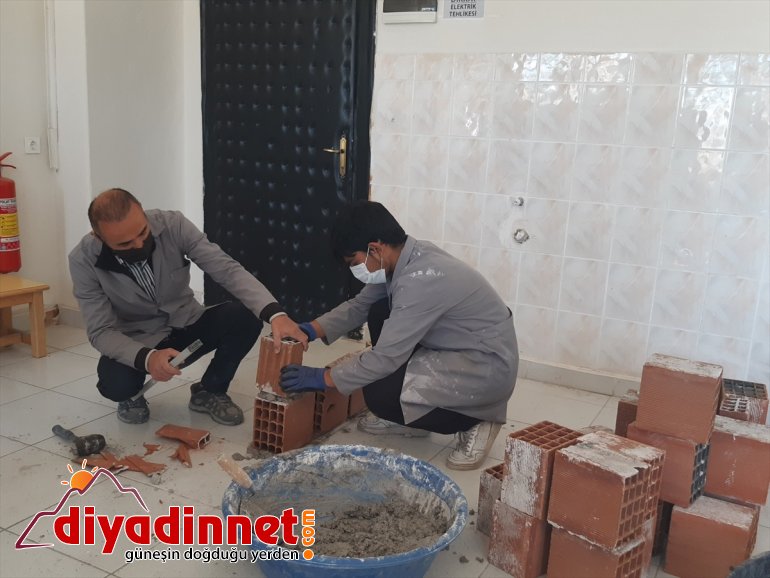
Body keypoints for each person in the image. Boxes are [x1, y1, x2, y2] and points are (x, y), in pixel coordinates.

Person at [280, 201, 518, 470]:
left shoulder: (420, 279)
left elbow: (385, 359)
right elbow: (360, 306)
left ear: (375, 248)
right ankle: (412, 416)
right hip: (459, 348)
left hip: (485, 367)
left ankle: (477, 420)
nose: (354, 270)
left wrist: (324, 378)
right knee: (379, 310)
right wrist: (310, 330)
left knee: (379, 392)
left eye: (354, 263)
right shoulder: (404, 259)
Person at [69, 188, 307, 425]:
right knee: (115, 385)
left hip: (187, 323)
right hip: (139, 339)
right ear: (99, 237)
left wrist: (275, 313)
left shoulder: (173, 225)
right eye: (125, 244)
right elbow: (101, 331)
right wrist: (148, 358)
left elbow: (226, 270)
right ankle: (131, 398)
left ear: (142, 211)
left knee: (244, 318)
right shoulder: (83, 260)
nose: (139, 244)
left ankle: (210, 390)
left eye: (143, 232)